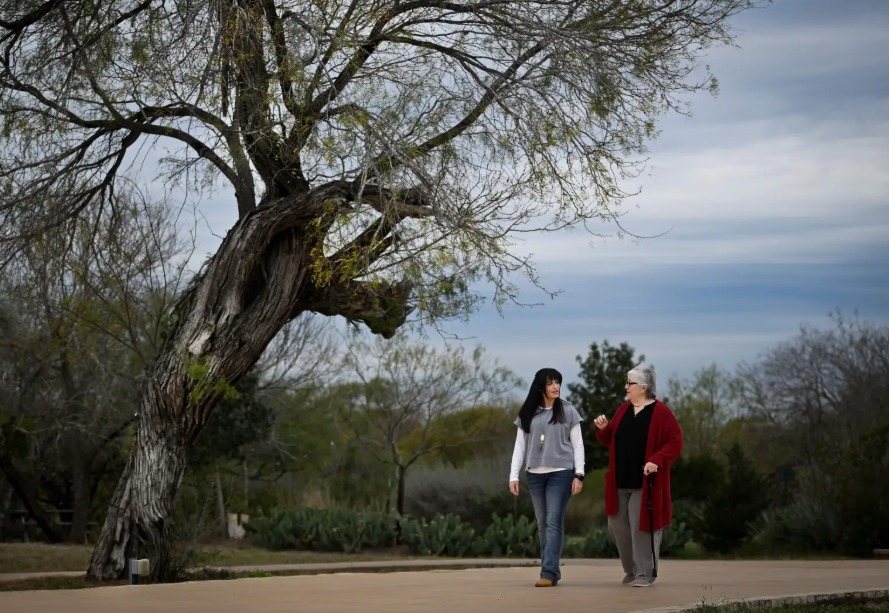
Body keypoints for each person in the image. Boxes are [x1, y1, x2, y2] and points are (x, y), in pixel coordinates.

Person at [593, 363, 683, 588]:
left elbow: (675, 442)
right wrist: (604, 429)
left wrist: (656, 460)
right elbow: (611, 440)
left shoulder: (661, 412)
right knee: (616, 524)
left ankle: (645, 573)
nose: (626, 387)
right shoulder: (623, 410)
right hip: (619, 481)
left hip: (646, 483)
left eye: (629, 383)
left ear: (643, 387)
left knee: (640, 526)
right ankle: (630, 570)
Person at [509, 368, 585, 587]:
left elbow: (578, 446)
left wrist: (579, 474)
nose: (556, 386)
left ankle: (549, 573)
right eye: (551, 383)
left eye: (558, 382)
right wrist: (513, 475)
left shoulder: (568, 411)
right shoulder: (527, 413)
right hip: (534, 475)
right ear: (541, 386)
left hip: (561, 473)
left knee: (553, 522)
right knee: (543, 524)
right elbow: (519, 447)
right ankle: (552, 570)